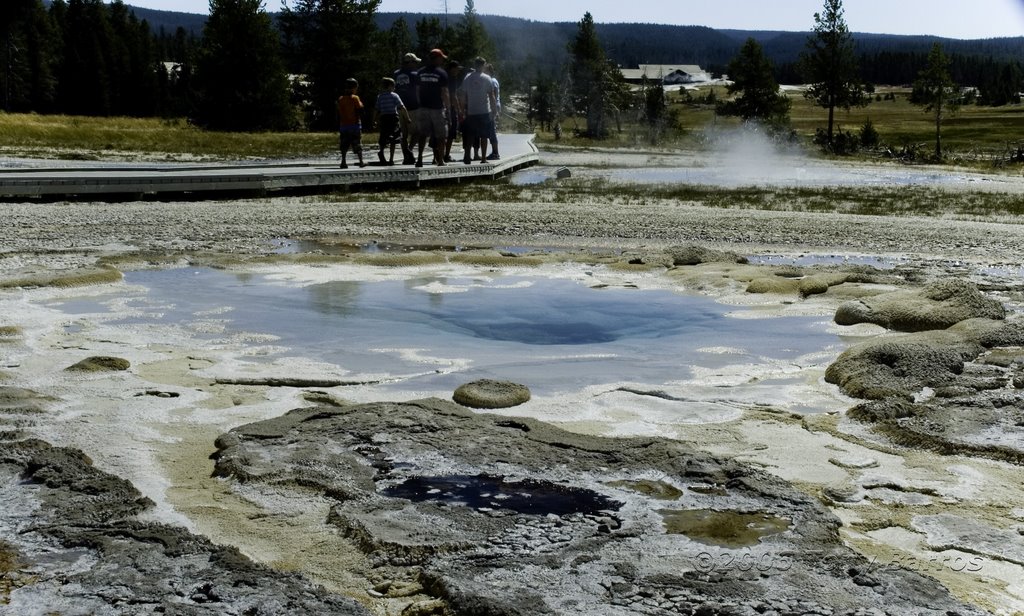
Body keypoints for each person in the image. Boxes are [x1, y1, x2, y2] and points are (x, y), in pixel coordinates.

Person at [414, 48, 451, 167]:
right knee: (441, 135)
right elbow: (444, 92)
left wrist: (420, 103)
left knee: (422, 134)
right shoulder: (441, 73)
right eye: (441, 58)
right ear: (437, 58)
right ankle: (440, 160)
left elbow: (417, 90)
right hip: (437, 107)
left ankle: (419, 159)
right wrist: (448, 108)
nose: (442, 60)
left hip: (423, 107)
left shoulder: (420, 72)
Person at [459, 56, 496, 164]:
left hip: (471, 111)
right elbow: (492, 95)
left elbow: (462, 95)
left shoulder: (467, 77)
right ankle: (483, 158)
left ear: (475, 65)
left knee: (470, 134)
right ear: (483, 65)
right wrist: (494, 110)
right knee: (484, 136)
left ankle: (467, 155)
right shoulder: (487, 78)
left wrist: (462, 110)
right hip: (484, 111)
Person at [373, 77, 410, 165]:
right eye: (394, 86)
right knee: (394, 138)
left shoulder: (380, 97)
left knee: (383, 136)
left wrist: (374, 120)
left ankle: (381, 151)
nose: (394, 88)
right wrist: (407, 118)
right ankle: (391, 159)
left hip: (384, 118)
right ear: (390, 86)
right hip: (393, 118)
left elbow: (376, 109)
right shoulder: (394, 95)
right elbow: (402, 107)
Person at [393, 53, 421, 165]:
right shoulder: (416, 74)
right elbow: (419, 90)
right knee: (418, 131)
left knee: (403, 134)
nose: (416, 64)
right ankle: (409, 149)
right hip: (413, 106)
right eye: (415, 62)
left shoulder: (396, 74)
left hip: (399, 106)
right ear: (410, 62)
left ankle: (406, 156)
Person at [336, 78, 364, 169]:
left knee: (344, 144)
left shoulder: (341, 99)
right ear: (353, 88)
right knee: (357, 143)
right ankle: (361, 162)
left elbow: (339, 111)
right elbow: (359, 109)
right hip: (355, 125)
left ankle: (343, 161)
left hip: (344, 125)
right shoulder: (355, 98)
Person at [444, 60, 463, 163]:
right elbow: (453, 95)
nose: (458, 71)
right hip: (450, 107)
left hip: (441, 107)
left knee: (441, 133)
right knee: (451, 133)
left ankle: (437, 156)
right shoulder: (452, 79)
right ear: (452, 69)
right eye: (457, 69)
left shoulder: (443, 77)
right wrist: (459, 110)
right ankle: (446, 154)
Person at [484, 62, 501, 160]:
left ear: (489, 71)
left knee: (491, 130)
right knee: (491, 129)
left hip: (492, 106)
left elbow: (493, 95)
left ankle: (495, 153)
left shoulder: (492, 81)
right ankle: (494, 152)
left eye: (485, 70)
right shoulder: (491, 80)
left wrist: (493, 109)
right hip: (492, 106)